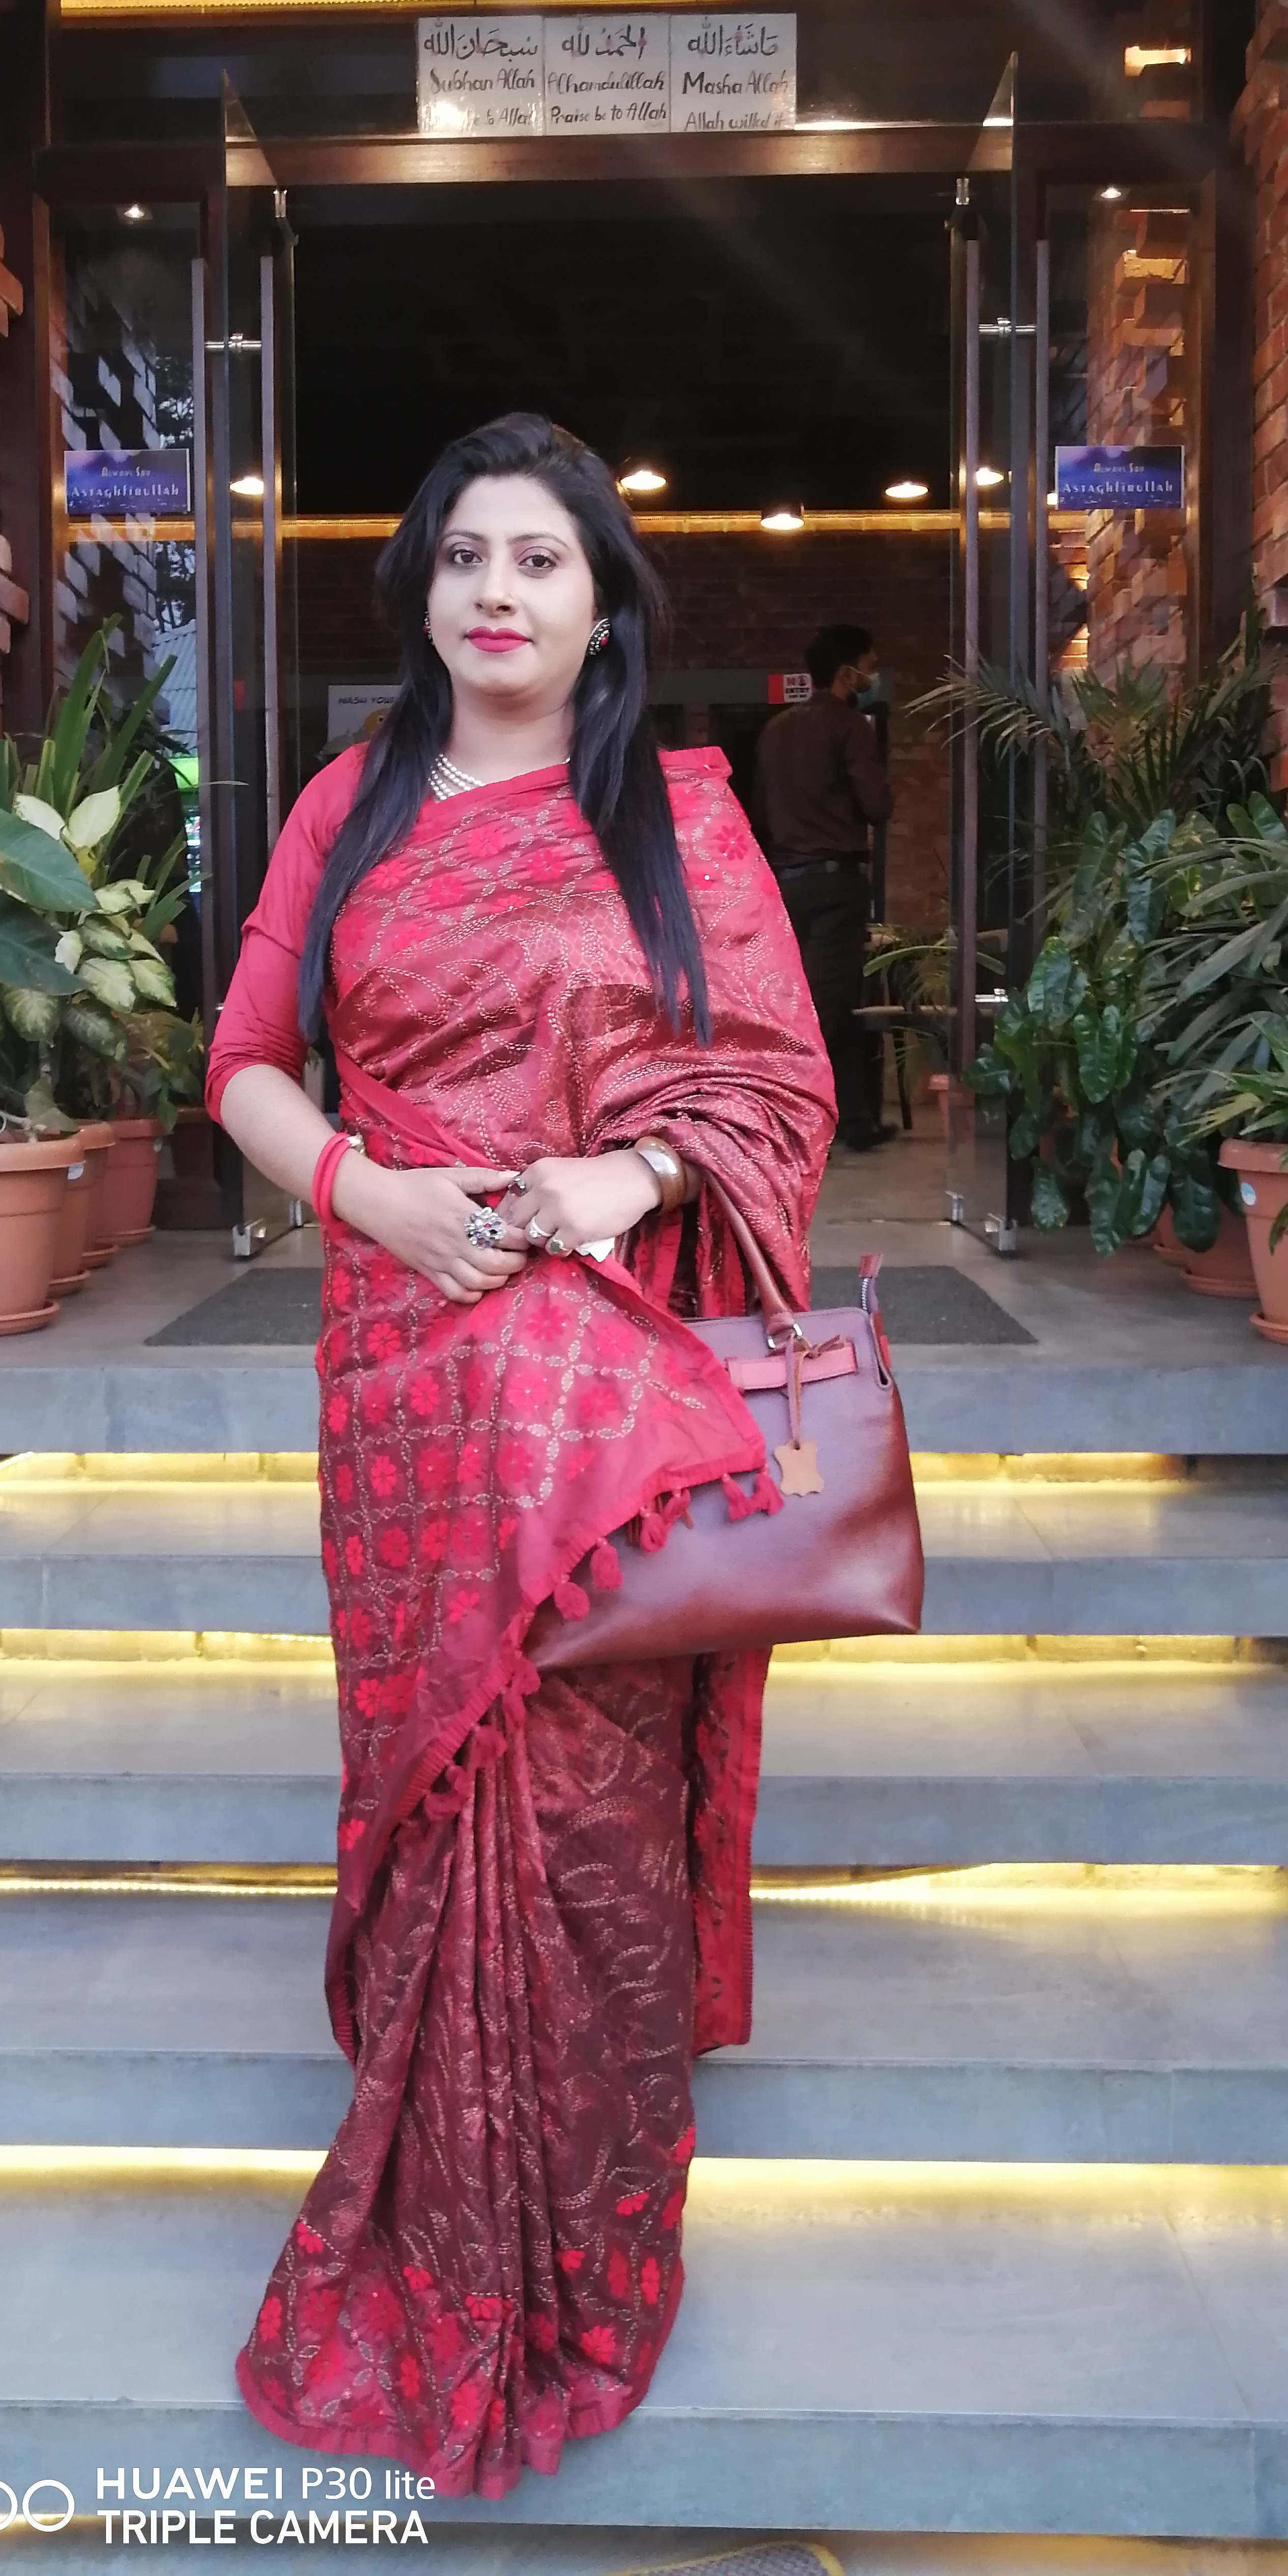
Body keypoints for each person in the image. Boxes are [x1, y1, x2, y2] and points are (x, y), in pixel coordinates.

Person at [204, 412, 834, 2496]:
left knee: (578, 1814)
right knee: (437, 1788)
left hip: (604, 1391)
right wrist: (369, 1194)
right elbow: (244, 1064)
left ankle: (586, 2245)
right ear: (421, 591)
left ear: (601, 605)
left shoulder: (677, 817)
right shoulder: (349, 805)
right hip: (404, 1368)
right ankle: (437, 2221)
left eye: (541, 559)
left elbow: (775, 1086)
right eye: (465, 555)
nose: (498, 590)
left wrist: (622, 1172)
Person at [754, 620, 894, 1151]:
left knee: (817, 1000)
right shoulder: (851, 726)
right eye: (869, 666)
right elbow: (877, 805)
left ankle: (854, 1118)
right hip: (837, 884)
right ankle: (793, 1124)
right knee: (826, 1008)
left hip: (785, 886)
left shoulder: (775, 731)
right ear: (846, 673)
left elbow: (761, 810)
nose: (873, 675)